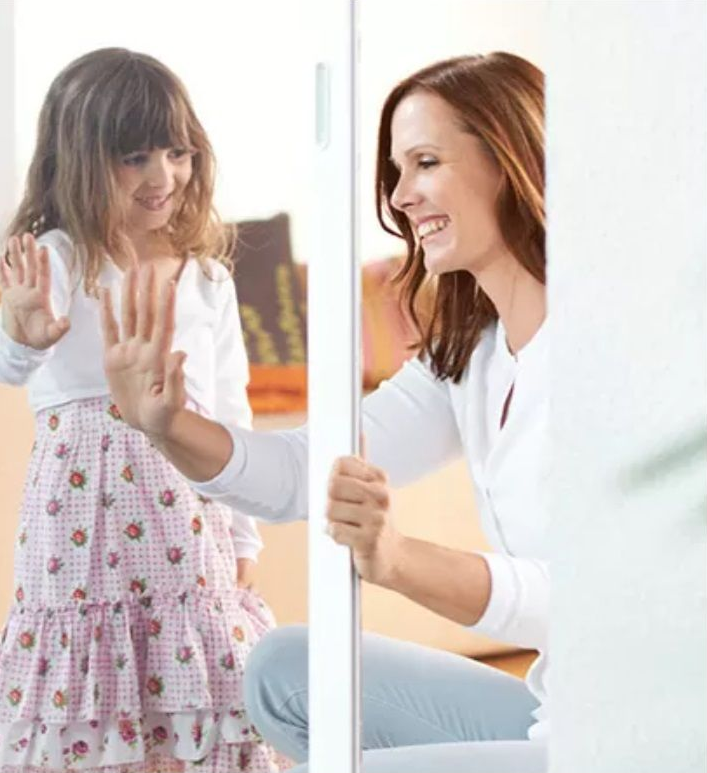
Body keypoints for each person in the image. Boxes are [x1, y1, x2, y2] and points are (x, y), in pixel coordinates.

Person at [99, 52, 550, 773]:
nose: (400, 196)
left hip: (637, 732)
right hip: (554, 710)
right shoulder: (472, 354)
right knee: (285, 665)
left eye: (425, 162)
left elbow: (588, 601)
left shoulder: (599, 359)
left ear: (510, 157)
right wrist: (166, 422)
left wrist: (398, 558)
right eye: (395, 172)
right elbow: (305, 471)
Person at [0, 48, 291, 773]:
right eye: (135, 156)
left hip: (184, 514)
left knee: (191, 698)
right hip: (76, 532)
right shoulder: (52, 260)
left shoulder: (205, 275)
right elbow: (2, 364)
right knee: (93, 699)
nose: (162, 177)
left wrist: (242, 538)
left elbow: (229, 411)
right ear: (80, 158)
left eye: (176, 153)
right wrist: (20, 334)